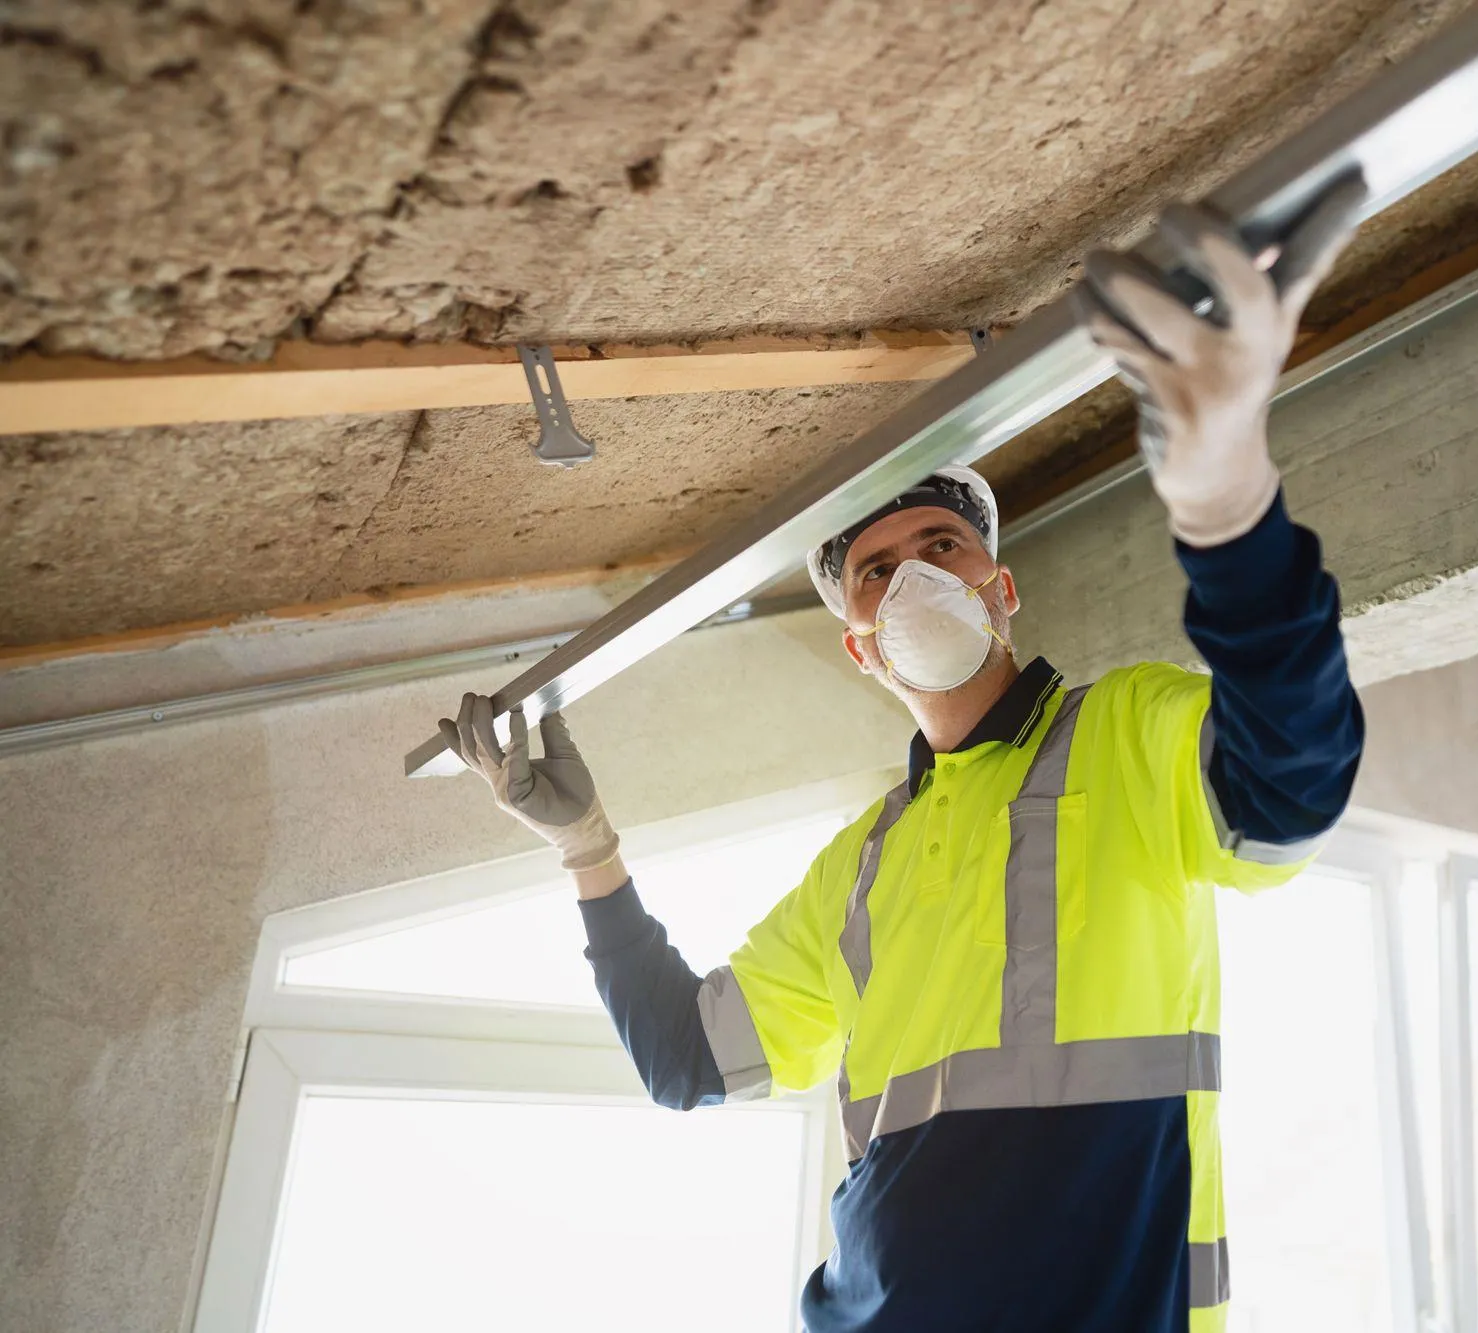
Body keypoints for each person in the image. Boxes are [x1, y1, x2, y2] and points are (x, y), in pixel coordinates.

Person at [440, 178, 1369, 1332]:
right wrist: (588, 852)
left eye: (940, 545)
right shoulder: (860, 871)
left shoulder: (1128, 733)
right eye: (878, 572)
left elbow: (1291, 782)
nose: (915, 578)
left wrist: (1227, 504)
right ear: (861, 649)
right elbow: (686, 1057)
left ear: (1000, 586)